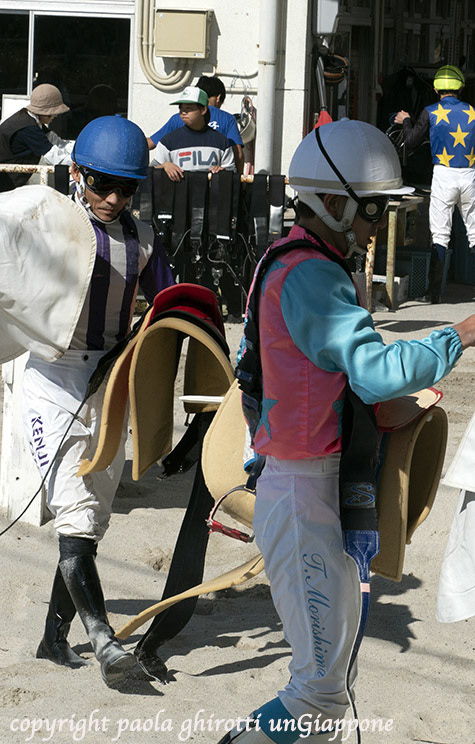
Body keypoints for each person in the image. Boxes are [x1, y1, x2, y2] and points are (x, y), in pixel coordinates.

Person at [219, 118, 475, 744]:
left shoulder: (302, 260)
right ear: (332, 202)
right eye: (373, 210)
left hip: (309, 487)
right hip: (302, 495)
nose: (379, 224)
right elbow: (375, 372)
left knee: (325, 686)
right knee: (319, 695)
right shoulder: (311, 275)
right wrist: (460, 333)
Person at [24, 115, 175, 687]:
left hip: (111, 379)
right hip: (49, 376)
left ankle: (51, 638)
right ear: (76, 173)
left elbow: (168, 304)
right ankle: (105, 642)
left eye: (127, 188)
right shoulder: (49, 225)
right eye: (102, 185)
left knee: (94, 519)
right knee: (74, 511)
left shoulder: (144, 239)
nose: (113, 198)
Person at [394, 65, 475, 303]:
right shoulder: (474, 112)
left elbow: (411, 141)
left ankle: (434, 294)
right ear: (460, 88)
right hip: (469, 175)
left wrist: (406, 121)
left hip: (443, 175)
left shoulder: (430, 111)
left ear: (436, 88)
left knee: (440, 235)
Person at [148, 76, 245, 174]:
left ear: (203, 110)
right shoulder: (227, 119)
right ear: (219, 97)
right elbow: (238, 154)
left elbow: (150, 143)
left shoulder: (175, 119)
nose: (184, 112)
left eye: (188, 108)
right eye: (181, 108)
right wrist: (240, 183)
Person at [0, 83, 70, 192]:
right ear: (46, 112)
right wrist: (79, 163)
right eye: (54, 113)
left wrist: (77, 150)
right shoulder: (28, 129)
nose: (56, 116)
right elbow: (54, 157)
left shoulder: (29, 118)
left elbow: (56, 142)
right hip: (5, 182)